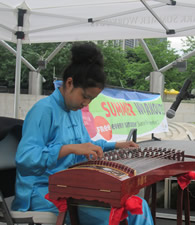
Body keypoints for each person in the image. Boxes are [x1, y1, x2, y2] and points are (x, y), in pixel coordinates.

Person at [11, 42, 154, 225]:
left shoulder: (75, 110)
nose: (86, 103)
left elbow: (85, 145)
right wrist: (68, 149)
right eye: (85, 96)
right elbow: (25, 159)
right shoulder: (43, 111)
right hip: (42, 193)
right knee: (114, 215)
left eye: (91, 99)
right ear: (69, 83)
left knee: (137, 206)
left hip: (72, 189)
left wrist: (116, 145)